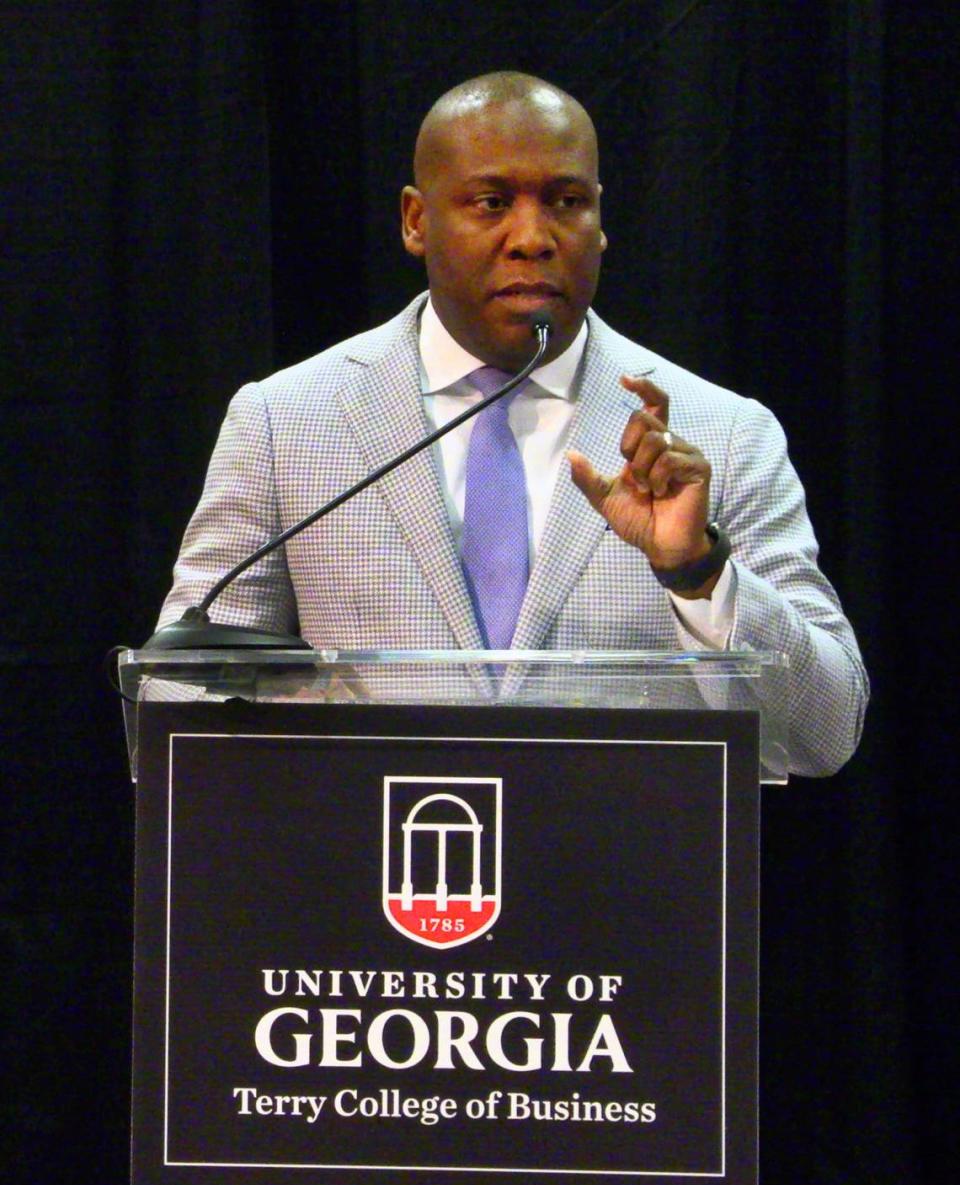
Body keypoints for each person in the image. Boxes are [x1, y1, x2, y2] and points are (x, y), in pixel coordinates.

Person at [158, 71, 868, 777]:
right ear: (415, 220)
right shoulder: (287, 420)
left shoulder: (721, 433)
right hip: (372, 874)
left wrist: (698, 572)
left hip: (621, 879)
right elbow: (177, 691)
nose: (533, 237)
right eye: (491, 202)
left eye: (566, 202)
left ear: (599, 220)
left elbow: (825, 730)